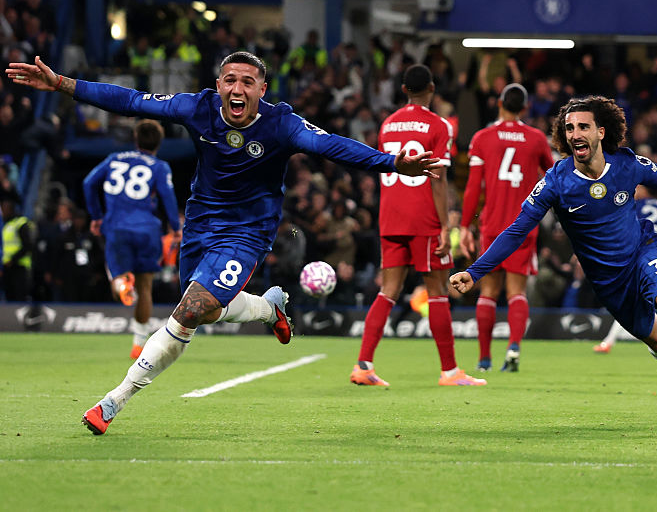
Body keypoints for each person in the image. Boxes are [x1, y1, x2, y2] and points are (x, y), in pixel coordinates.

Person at [7, 53, 441, 434]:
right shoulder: (198, 108)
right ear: (219, 86)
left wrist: (392, 161)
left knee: (190, 310)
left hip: (247, 232)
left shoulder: (282, 124)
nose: (237, 89)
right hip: (199, 227)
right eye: (230, 80)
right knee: (205, 309)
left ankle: (114, 401)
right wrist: (62, 84)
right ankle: (269, 308)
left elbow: (332, 146)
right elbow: (131, 100)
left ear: (262, 89)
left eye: (247, 82)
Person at [451, 96, 657, 419]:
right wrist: (476, 272)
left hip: (641, 253)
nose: (575, 133)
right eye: (569, 128)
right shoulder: (556, 182)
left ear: (601, 132)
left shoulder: (627, 164)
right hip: (607, 280)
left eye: (583, 127)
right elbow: (516, 231)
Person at [350, 64, 485, 387]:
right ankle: (450, 372)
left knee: (389, 290)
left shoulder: (388, 125)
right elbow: (438, 180)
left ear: (403, 90)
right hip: (423, 218)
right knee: (437, 291)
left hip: (391, 216)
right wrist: (442, 226)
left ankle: (363, 366)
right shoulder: (438, 125)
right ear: (432, 88)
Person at [460, 83, 554, 372]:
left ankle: (484, 359)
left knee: (488, 292)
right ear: (525, 108)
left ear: (499, 102)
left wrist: (465, 225)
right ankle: (513, 349)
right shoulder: (536, 139)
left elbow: (474, 186)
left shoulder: (483, 137)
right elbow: (553, 176)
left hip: (492, 225)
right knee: (517, 293)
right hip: (523, 225)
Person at [82, 119, 182, 359]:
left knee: (117, 281)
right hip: (148, 229)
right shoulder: (159, 166)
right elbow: (168, 197)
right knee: (145, 285)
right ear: (159, 143)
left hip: (116, 228)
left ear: (135, 139)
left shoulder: (113, 159)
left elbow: (88, 183)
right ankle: (138, 344)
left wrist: (96, 216)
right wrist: (176, 227)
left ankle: (123, 284)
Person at [593, 183, 657, 354]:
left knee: (632, 300)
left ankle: (609, 342)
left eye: (637, 188)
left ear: (645, 190)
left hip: (643, 256)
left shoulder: (637, 206)